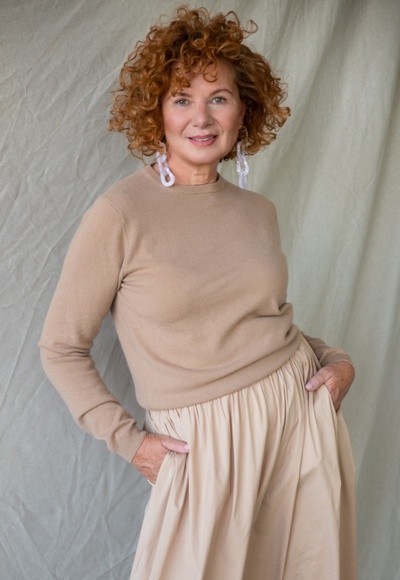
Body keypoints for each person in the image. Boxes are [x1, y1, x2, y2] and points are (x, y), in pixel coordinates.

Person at [40, 6, 357, 579]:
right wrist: (131, 442)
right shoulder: (119, 214)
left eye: (220, 98)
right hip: (203, 447)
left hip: (298, 421)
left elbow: (266, 321)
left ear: (244, 110)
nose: (202, 117)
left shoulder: (258, 211)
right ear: (156, 111)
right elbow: (60, 347)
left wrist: (334, 360)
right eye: (182, 99)